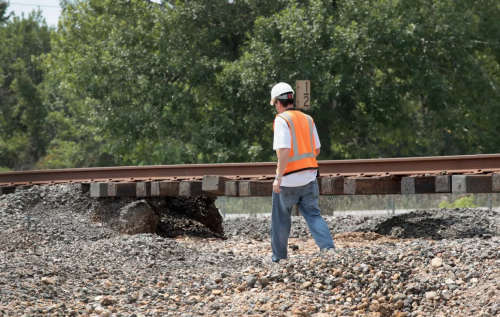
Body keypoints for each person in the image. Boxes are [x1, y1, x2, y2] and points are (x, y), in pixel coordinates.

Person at [263, 82, 337, 265]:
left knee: (280, 220)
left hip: (288, 180)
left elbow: (284, 150)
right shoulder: (307, 119)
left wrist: (278, 178)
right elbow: (317, 149)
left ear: (278, 103)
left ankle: (279, 258)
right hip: (309, 179)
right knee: (314, 216)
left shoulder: (282, 120)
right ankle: (329, 250)